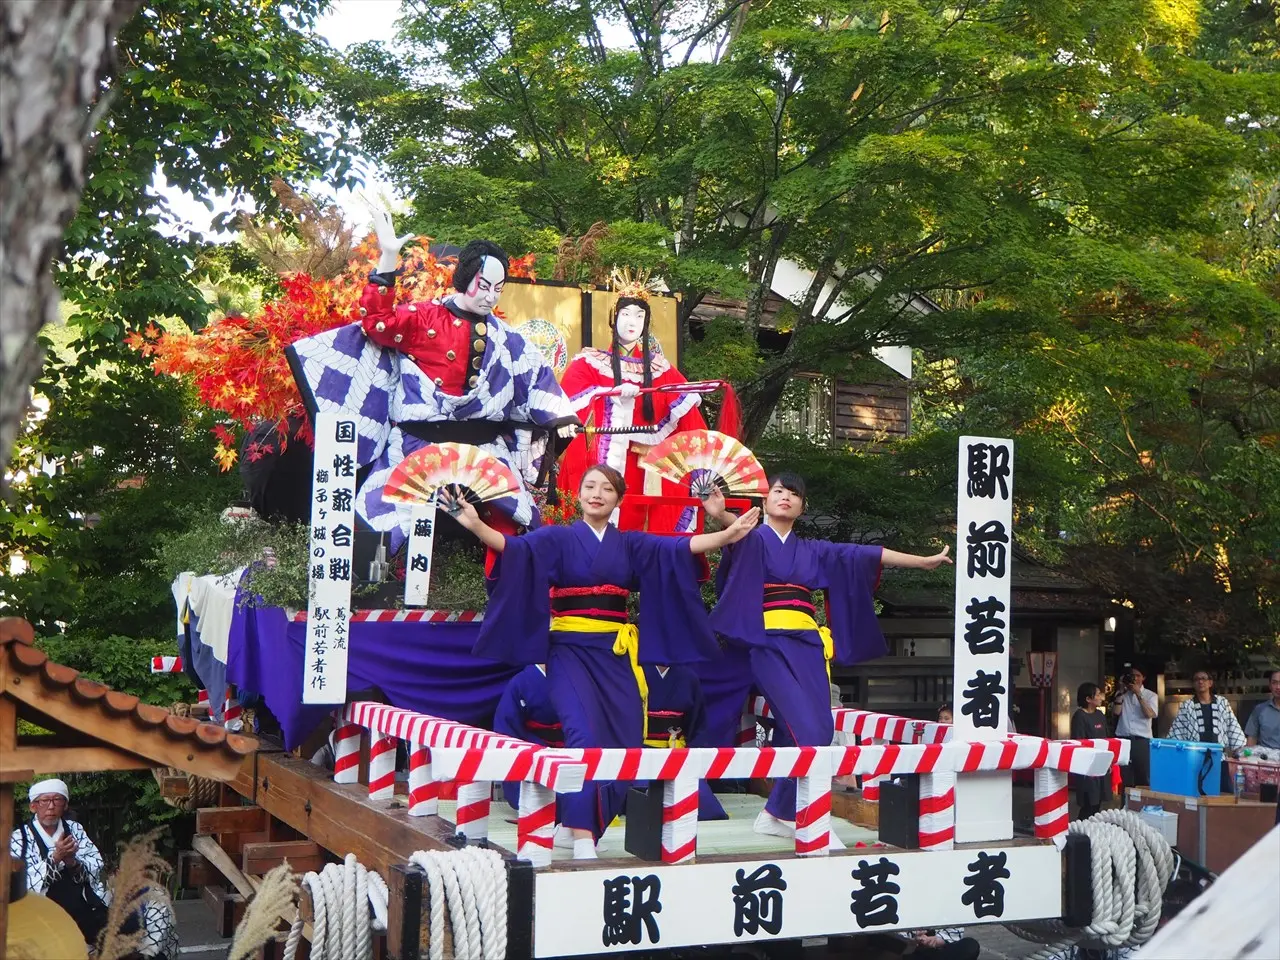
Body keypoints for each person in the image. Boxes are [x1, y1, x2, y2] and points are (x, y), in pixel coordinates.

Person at [452, 464, 759, 858]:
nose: (596, 493)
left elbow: (678, 548)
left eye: (607, 488)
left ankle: (576, 824)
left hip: (615, 654)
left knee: (627, 743)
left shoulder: (629, 544)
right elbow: (514, 549)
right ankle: (582, 835)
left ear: (618, 499)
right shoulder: (558, 539)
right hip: (568, 652)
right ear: (578, 494)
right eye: (589, 485)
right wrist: (476, 525)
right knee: (584, 736)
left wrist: (728, 534)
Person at [287, 211, 579, 552]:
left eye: (498, 289)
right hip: (416, 443)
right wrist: (389, 256)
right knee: (374, 521)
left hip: (484, 448)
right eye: (484, 286)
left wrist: (559, 418)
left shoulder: (508, 340)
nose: (490, 297)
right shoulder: (423, 317)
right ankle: (362, 587)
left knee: (521, 518)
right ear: (466, 278)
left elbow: (535, 376)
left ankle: (519, 581)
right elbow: (377, 321)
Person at [703, 472, 952, 843]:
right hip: (765, 641)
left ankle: (777, 813)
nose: (785, 496)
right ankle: (810, 822)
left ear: (802, 507)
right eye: (777, 491)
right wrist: (721, 515)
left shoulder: (815, 550)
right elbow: (735, 531)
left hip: (807, 643)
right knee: (808, 730)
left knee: (812, 729)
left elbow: (867, 555)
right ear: (765, 501)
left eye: (794, 493)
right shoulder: (751, 538)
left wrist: (922, 561)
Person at [556, 268, 712, 532]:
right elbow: (567, 409)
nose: (632, 321)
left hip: (644, 466)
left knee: (638, 525)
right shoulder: (589, 362)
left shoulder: (661, 368)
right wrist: (609, 397)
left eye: (640, 316)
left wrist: (700, 467)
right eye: (626, 314)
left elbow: (689, 423)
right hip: (600, 460)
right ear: (613, 318)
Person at [9, 779, 177, 958]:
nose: (51, 807)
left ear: (65, 805)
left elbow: (96, 865)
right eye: (44, 801)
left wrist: (73, 862)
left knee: (149, 914)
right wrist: (55, 859)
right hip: (47, 916)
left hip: (86, 909)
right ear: (33, 807)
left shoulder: (75, 829)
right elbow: (21, 882)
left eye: (57, 800)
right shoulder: (20, 838)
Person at [644, 662, 729, 820]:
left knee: (708, 810)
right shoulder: (636, 672)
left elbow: (698, 725)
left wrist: (691, 758)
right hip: (642, 756)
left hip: (678, 755)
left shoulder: (688, 677)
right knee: (643, 802)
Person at [492, 663, 564, 809]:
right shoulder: (521, 682)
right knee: (530, 798)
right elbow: (506, 727)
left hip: (572, 748)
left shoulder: (577, 680)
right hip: (531, 751)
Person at [1168, 671, 1247, 791]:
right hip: (1194, 758)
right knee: (1195, 792)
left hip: (1219, 757)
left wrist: (1240, 750)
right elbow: (1177, 733)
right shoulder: (1187, 706)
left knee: (1222, 792)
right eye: (1197, 679)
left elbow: (1232, 725)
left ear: (1210, 683)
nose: (1200, 681)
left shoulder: (1222, 703)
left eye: (1204, 679)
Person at [1111, 665, 1158, 789]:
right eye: (1132, 676)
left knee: (1143, 777)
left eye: (1138, 676)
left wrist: (1138, 694)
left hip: (1142, 740)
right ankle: (1124, 805)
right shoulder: (1122, 694)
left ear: (1144, 678)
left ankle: (1144, 805)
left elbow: (1150, 714)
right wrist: (1121, 690)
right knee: (1124, 777)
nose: (1135, 679)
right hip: (1123, 739)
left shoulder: (1151, 695)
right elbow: (1116, 712)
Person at [1070, 683, 1111, 819]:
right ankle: (1080, 830)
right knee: (1088, 803)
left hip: (1102, 763)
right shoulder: (1080, 716)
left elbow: (1106, 738)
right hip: (1088, 766)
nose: (1100, 697)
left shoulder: (1100, 714)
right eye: (1097, 695)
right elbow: (1079, 742)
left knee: (1098, 803)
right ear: (1088, 699)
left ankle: (1092, 830)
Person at [1244, 668, 1280, 749]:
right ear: (1270, 686)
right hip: (1266, 758)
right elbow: (1251, 740)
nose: (1278, 687)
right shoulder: (1259, 710)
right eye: (1274, 683)